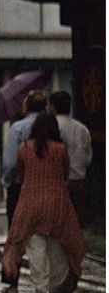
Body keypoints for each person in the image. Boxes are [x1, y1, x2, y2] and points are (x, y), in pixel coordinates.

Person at [0, 112, 84, 293]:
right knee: (57, 247)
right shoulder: (61, 149)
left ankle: (41, 290)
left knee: (36, 248)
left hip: (30, 203)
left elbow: (21, 174)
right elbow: (64, 173)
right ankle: (55, 286)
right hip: (57, 203)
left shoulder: (25, 148)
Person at [0, 90, 46, 226]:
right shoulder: (53, 126)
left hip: (21, 186)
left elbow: (10, 163)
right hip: (46, 185)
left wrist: (7, 181)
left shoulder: (18, 128)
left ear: (26, 107)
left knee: (17, 229)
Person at [48, 91, 92, 226]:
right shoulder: (82, 129)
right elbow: (88, 158)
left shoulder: (50, 127)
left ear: (53, 107)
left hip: (57, 184)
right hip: (78, 182)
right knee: (76, 226)